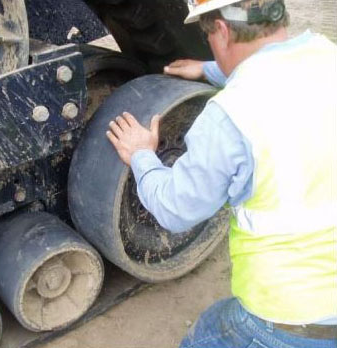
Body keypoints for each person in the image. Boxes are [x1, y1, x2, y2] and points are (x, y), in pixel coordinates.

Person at [105, 0, 336, 347]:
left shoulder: (229, 115)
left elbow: (175, 209)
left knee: (205, 337)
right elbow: (276, 72)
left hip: (288, 319)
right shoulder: (326, 55)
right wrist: (210, 69)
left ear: (223, 32)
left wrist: (141, 155)